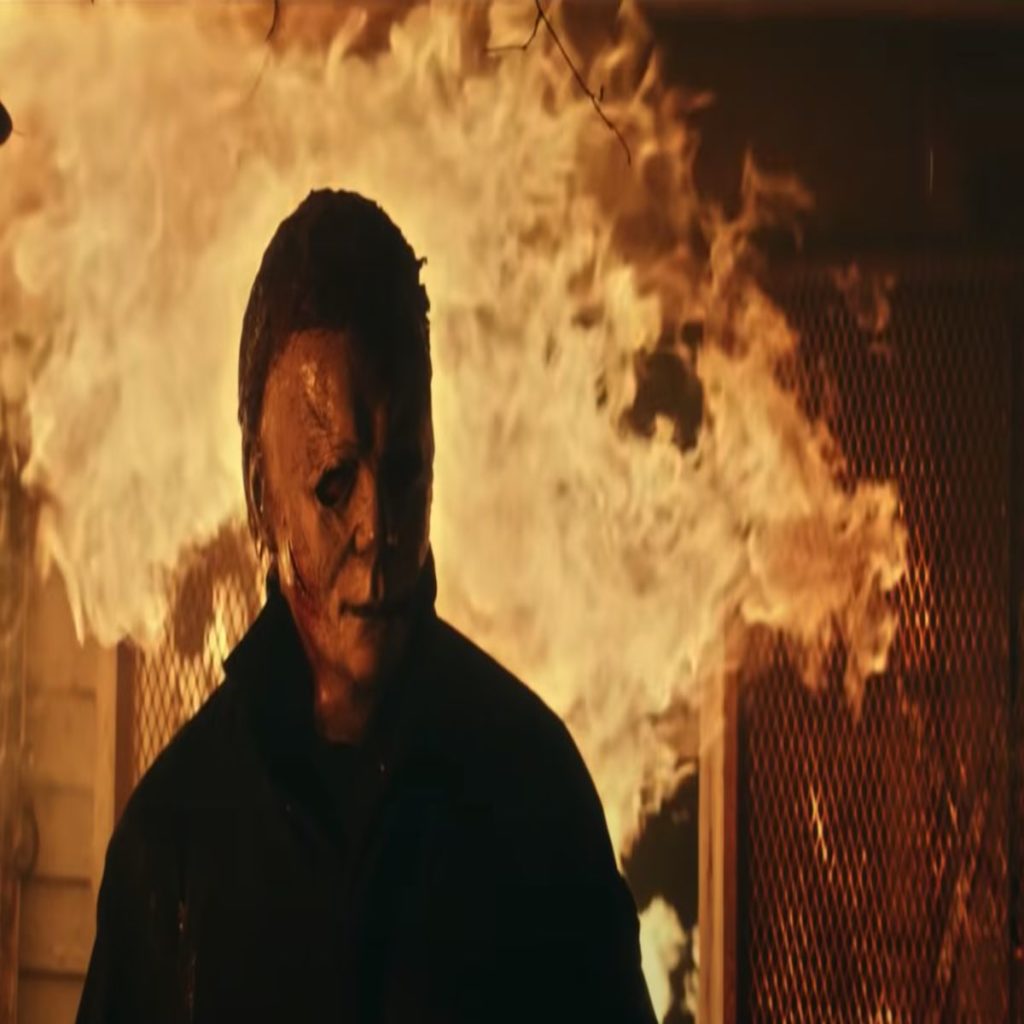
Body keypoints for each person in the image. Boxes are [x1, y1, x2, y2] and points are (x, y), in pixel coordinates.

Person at [77, 190, 657, 1024]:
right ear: (261, 496)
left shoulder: (535, 796)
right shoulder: (173, 848)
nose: (377, 527)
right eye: (333, 482)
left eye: (407, 471)